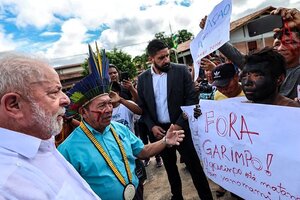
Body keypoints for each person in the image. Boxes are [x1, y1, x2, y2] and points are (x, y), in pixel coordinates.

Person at [58, 45, 185, 200]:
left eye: (109, 103)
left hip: (137, 193)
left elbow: (142, 151)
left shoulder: (119, 128)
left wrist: (165, 141)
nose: (109, 109)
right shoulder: (67, 150)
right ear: (83, 112)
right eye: (101, 105)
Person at [0, 54, 100, 199]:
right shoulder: (8, 185)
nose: (66, 99)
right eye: (54, 92)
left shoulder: (42, 142)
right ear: (14, 105)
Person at [137, 39, 213, 200]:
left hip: (182, 127)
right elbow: (142, 108)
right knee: (170, 168)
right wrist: (152, 127)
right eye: (161, 58)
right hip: (160, 132)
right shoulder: (143, 79)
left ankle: (206, 197)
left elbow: (192, 98)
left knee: (195, 167)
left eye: (167, 55)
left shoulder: (180, 70)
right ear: (151, 59)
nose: (166, 60)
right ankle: (177, 196)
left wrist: (179, 124)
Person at [200, 7, 300, 99]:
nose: (281, 48)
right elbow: (237, 57)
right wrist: (213, 34)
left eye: (290, 42)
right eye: (277, 44)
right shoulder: (265, 67)